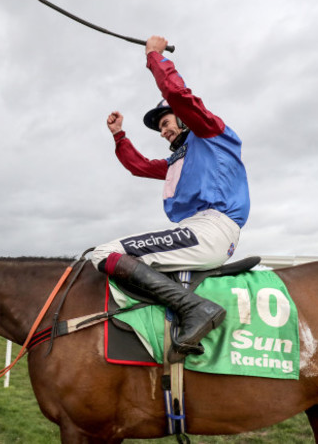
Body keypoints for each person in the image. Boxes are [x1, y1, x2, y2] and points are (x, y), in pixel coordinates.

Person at [91, 35, 250, 359]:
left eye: (166, 123)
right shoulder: (179, 159)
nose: (163, 131)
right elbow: (139, 166)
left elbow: (177, 94)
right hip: (200, 228)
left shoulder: (211, 132)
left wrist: (154, 56)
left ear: (181, 117)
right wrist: (120, 135)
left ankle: (198, 310)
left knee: (103, 253)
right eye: (160, 127)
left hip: (213, 226)